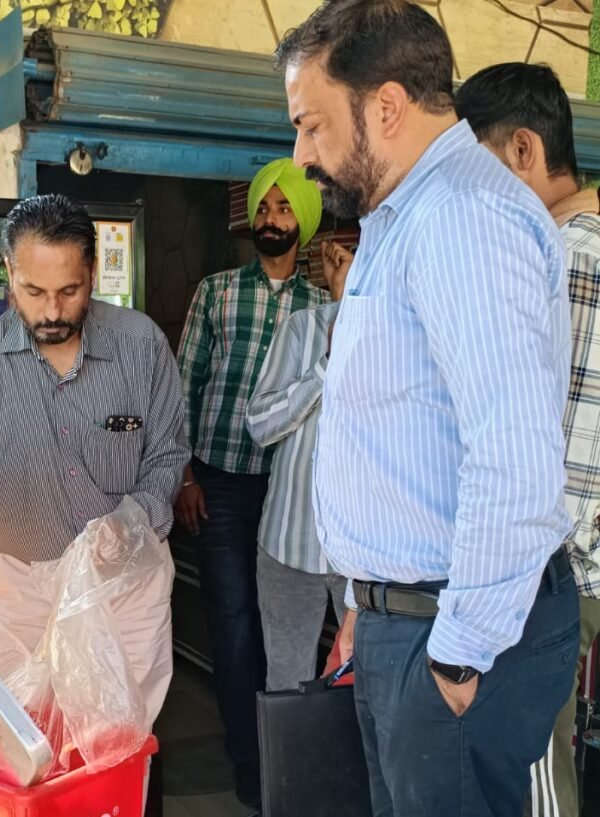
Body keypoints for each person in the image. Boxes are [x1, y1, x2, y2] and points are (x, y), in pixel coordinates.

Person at [276, 3, 580, 816]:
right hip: (405, 622)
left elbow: (513, 462)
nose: (301, 154)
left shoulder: (461, 220)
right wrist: (364, 606)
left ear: (385, 105)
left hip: (453, 636)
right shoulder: (401, 217)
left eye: (311, 125)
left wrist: (454, 659)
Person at [0, 193, 188, 735]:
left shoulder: (142, 347)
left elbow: (167, 455)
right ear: (9, 272)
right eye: (33, 292)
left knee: (115, 747)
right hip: (26, 594)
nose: (53, 312)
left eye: (69, 290)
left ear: (92, 271)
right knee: (26, 742)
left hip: (127, 585)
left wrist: (132, 522)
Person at [455, 62, 600, 817]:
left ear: (520, 152)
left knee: (534, 763)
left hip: (554, 571)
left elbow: (518, 445)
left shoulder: (549, 257)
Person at [174, 157, 327, 806]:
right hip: (223, 482)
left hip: (290, 493)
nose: (271, 218)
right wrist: (182, 472)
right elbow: (183, 384)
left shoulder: (324, 307)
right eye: (264, 208)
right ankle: (251, 765)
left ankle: (287, 761)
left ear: (306, 224)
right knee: (234, 625)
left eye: (284, 208)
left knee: (283, 635)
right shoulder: (216, 291)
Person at [245, 240, 352, 692]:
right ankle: (288, 768)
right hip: (289, 546)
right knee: (286, 688)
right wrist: (328, 362)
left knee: (371, 691)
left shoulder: (408, 335)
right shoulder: (301, 329)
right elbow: (260, 425)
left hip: (367, 560)